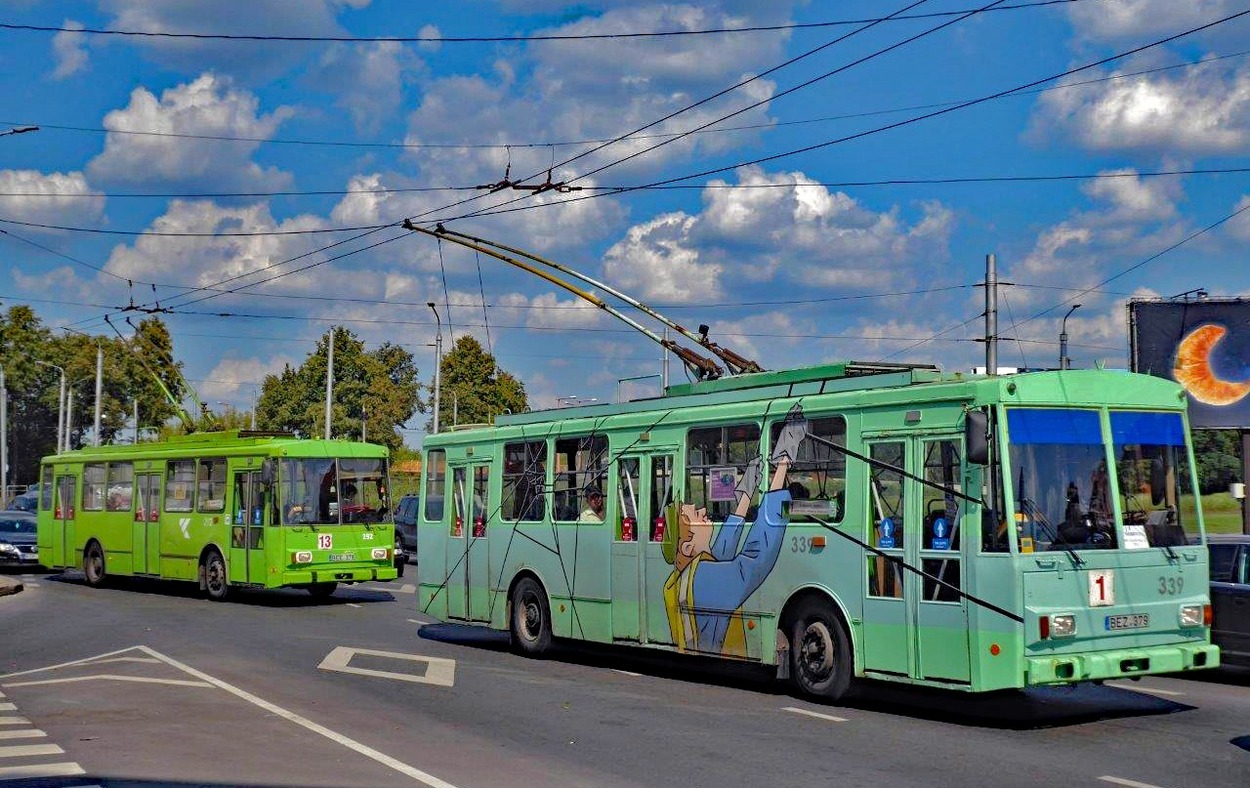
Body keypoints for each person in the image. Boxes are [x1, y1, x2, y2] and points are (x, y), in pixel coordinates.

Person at [662, 403, 807, 657]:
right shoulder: (703, 580)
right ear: (687, 546)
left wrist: (745, 494)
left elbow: (720, 554)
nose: (704, 513)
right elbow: (753, 560)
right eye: (696, 515)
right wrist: (782, 462)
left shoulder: (691, 575)